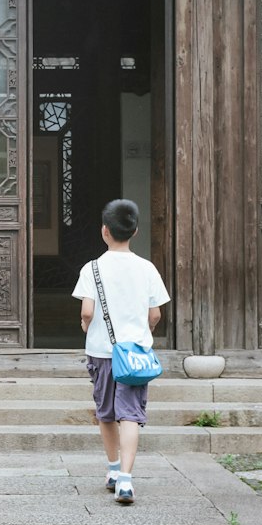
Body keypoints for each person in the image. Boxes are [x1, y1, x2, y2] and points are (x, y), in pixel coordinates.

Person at [71, 199, 170, 504]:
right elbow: (155, 315)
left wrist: (86, 326)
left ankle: (113, 469)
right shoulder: (147, 268)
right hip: (135, 353)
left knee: (106, 413)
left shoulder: (93, 268)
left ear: (105, 231)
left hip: (102, 351)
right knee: (130, 415)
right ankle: (126, 479)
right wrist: (145, 332)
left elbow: (87, 311)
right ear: (135, 231)